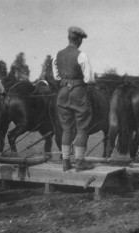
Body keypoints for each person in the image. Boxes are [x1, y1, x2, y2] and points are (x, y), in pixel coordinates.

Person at [53, 26, 96, 171]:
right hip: (78, 92)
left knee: (66, 128)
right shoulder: (81, 55)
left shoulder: (57, 55)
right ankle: (80, 162)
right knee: (82, 127)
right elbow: (89, 79)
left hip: (63, 92)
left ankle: (65, 162)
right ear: (78, 39)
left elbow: (56, 77)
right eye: (81, 40)